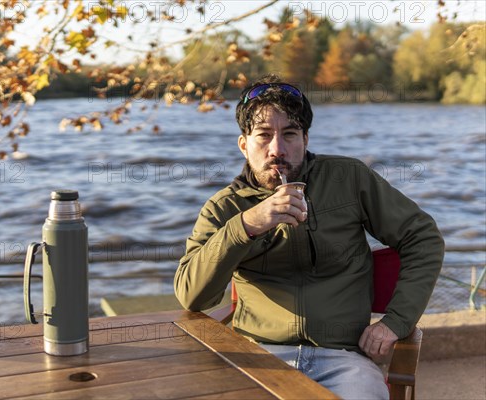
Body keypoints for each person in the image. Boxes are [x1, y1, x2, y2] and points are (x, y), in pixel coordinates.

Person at [174, 74, 444, 399]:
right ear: (244, 145)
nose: (277, 149)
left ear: (305, 139)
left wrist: (396, 321)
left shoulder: (348, 179)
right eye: (263, 135)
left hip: (344, 358)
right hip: (260, 356)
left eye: (289, 134)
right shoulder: (225, 206)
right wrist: (245, 225)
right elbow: (192, 297)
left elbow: (423, 237)